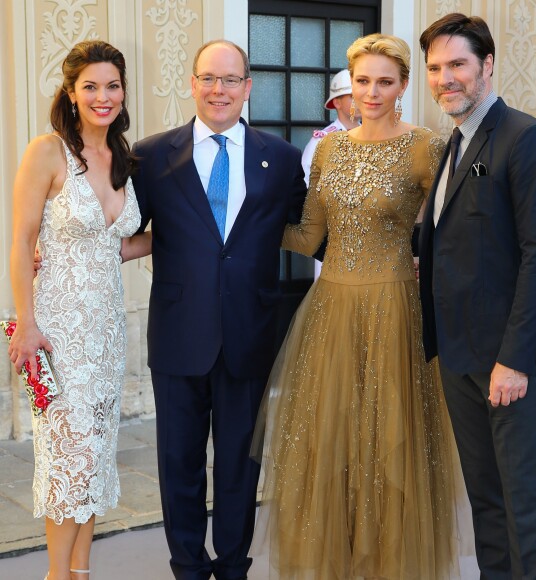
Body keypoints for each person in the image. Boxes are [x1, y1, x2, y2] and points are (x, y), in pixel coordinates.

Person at [252, 33, 464, 580]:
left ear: (403, 86)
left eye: (384, 82)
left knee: (389, 441)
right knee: (334, 441)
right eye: (362, 81)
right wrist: (240, 222)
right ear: (349, 85)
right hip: (331, 313)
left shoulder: (425, 147)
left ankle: (388, 564)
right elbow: (310, 235)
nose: (371, 93)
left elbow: (451, 230)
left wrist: (434, 269)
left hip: (395, 309)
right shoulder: (328, 150)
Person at [122, 40, 308, 580]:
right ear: (193, 83)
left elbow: (312, 232)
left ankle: (232, 567)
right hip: (180, 336)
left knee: (238, 467)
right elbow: (121, 227)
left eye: (230, 80)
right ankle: (186, 566)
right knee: (178, 465)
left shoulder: (282, 159)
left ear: (248, 88)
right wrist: (63, 249)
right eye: (209, 78)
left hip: (250, 334)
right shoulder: (152, 157)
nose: (219, 90)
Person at [418, 13, 536, 580]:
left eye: (456, 64)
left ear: (486, 65)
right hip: (460, 358)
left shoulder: (525, 139)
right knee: (486, 501)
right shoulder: (452, 144)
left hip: (512, 362)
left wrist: (513, 360)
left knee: (524, 505)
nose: (444, 78)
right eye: (435, 68)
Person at [8, 40, 140, 579]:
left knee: (95, 460)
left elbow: (118, 244)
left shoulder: (126, 158)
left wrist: (185, 234)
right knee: (69, 462)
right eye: (90, 86)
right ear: (70, 92)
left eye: (111, 85)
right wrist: (27, 325)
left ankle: (82, 572)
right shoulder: (47, 150)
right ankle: (57, 576)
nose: (102, 96)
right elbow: (21, 241)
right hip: (59, 333)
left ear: (123, 91)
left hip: (107, 332)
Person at [301, 69, 360, 183]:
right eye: (352, 96)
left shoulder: (376, 136)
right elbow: (307, 181)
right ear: (337, 103)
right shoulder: (322, 140)